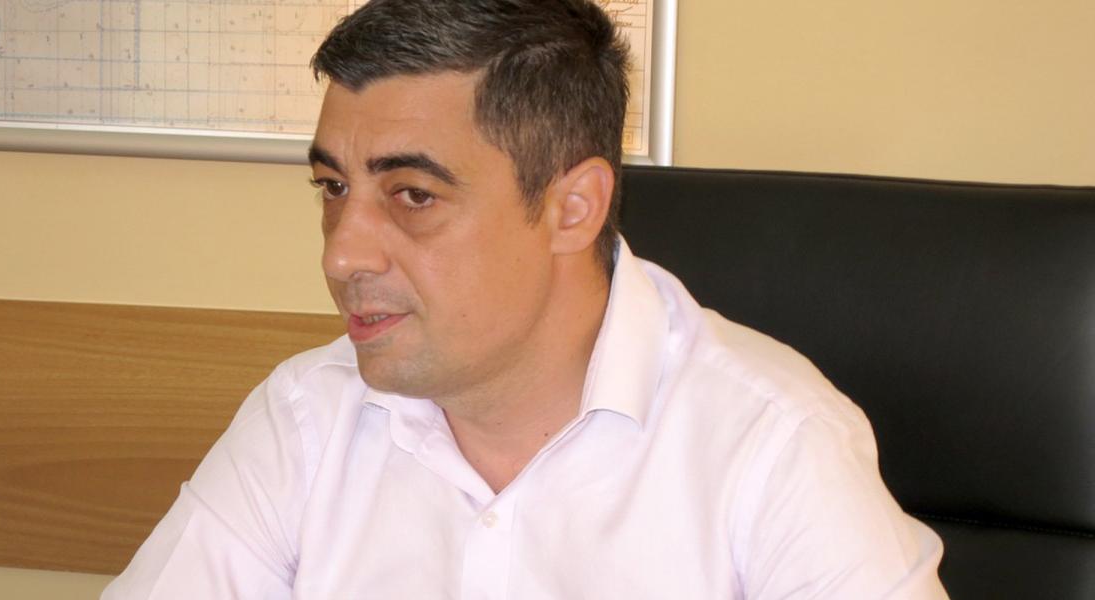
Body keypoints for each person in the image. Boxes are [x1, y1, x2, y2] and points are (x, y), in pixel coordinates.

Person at [103, 1, 948, 598]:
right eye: (333, 188)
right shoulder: (304, 419)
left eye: (413, 195)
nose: (342, 253)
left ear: (572, 208)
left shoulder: (773, 445)